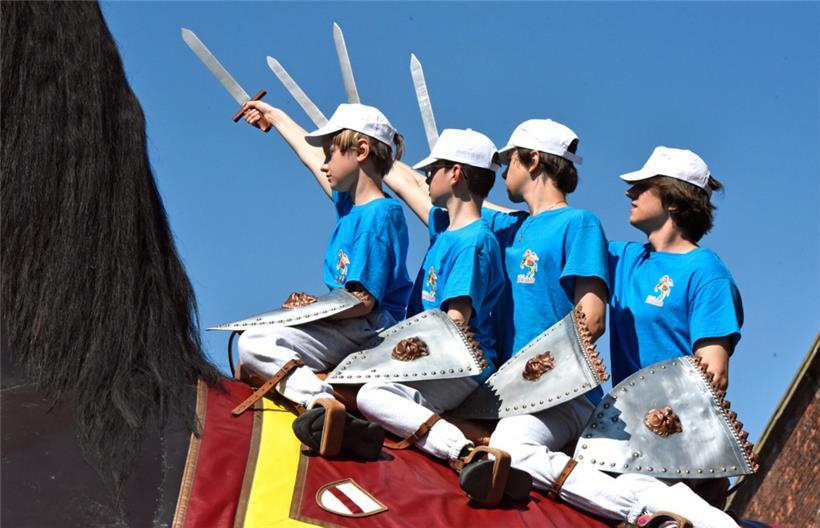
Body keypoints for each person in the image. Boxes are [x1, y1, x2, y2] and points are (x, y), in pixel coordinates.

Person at [355, 129, 532, 504]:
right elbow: (403, 184)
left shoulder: (474, 242)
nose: (425, 178)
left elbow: (455, 323)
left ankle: (463, 452)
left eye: (433, 169)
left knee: (373, 394)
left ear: (455, 174)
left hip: (460, 365)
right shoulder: (446, 231)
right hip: (430, 357)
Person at [238, 101, 412, 459]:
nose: (324, 163)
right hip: (348, 323)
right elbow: (306, 154)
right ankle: (320, 401)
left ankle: (321, 403)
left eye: (331, 153)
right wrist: (274, 115)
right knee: (253, 349)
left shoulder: (378, 216)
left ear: (361, 151)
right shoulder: (352, 207)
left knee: (253, 343)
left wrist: (310, 310)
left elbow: (363, 301)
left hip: (368, 329)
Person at [608, 146, 742, 391]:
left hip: (674, 425)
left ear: (673, 201)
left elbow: (713, 376)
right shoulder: (623, 259)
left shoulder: (707, 272)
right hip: (621, 424)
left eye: (642, 186)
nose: (630, 193)